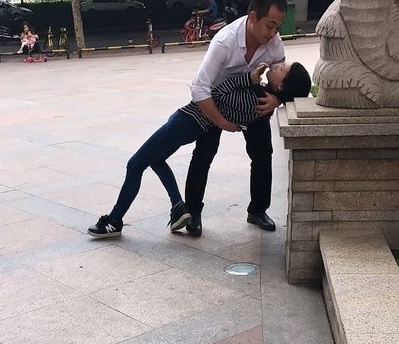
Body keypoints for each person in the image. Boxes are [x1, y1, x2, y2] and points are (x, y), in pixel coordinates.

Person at [87, 61, 311, 238]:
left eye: (282, 69)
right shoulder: (263, 100)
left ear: (281, 86)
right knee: (156, 159)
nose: (277, 64)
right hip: (190, 121)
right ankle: (178, 206)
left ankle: (115, 221)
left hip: (187, 121)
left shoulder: (254, 101)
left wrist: (248, 78)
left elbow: (215, 92)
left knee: (135, 164)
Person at [184, 0, 288, 237]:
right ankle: (192, 213)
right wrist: (220, 121)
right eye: (270, 26)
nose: (273, 34)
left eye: (278, 27)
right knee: (203, 155)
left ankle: (258, 210)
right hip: (217, 98)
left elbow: (282, 78)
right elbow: (199, 88)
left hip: (250, 98)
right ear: (253, 17)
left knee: (263, 153)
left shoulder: (274, 42)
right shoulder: (225, 41)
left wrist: (276, 100)